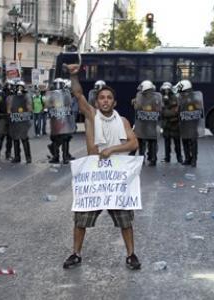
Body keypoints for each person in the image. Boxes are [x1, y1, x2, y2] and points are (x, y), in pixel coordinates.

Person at [63, 63, 141, 270]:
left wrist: (111, 150)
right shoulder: (91, 116)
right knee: (81, 218)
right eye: (101, 98)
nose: (105, 101)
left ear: (114, 102)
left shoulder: (123, 120)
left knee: (125, 220)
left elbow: (134, 143)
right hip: (95, 177)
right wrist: (74, 75)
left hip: (116, 178)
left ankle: (131, 255)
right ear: (96, 102)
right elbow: (78, 93)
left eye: (109, 98)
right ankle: (76, 253)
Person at [132, 80, 162, 166]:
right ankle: (151, 159)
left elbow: (159, 109)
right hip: (146, 123)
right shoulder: (156, 97)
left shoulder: (154, 97)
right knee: (147, 142)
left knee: (147, 142)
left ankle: (148, 158)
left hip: (148, 123)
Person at [45, 78, 75, 164]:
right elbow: (48, 105)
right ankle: (56, 156)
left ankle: (65, 156)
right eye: (56, 84)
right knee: (55, 138)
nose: (57, 86)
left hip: (64, 118)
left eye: (59, 84)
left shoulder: (66, 93)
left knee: (65, 138)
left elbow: (68, 105)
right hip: (55, 119)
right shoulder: (51, 94)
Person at [176, 80, 205, 167]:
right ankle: (188, 158)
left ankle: (193, 160)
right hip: (184, 122)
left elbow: (200, 111)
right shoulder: (180, 97)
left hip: (192, 123)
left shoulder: (194, 98)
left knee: (192, 142)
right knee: (185, 140)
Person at [7, 80, 33, 163]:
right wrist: (10, 112)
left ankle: (28, 158)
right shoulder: (12, 97)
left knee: (24, 139)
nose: (19, 89)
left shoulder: (26, 96)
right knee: (15, 139)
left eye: (21, 87)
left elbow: (30, 108)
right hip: (15, 121)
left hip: (23, 122)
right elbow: (9, 109)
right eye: (18, 87)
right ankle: (17, 157)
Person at [160, 81, 182, 163]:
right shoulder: (161, 98)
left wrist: (168, 112)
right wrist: (170, 112)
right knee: (167, 142)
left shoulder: (175, 98)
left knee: (177, 142)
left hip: (174, 124)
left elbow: (176, 111)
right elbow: (161, 111)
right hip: (166, 124)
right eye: (165, 90)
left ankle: (179, 158)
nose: (166, 91)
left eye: (168, 90)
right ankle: (167, 158)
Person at [0, 80, 12, 161]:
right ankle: (0, 154)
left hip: (7, 117)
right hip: (4, 117)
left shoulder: (10, 95)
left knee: (7, 138)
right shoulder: (2, 94)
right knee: (4, 137)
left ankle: (1, 154)